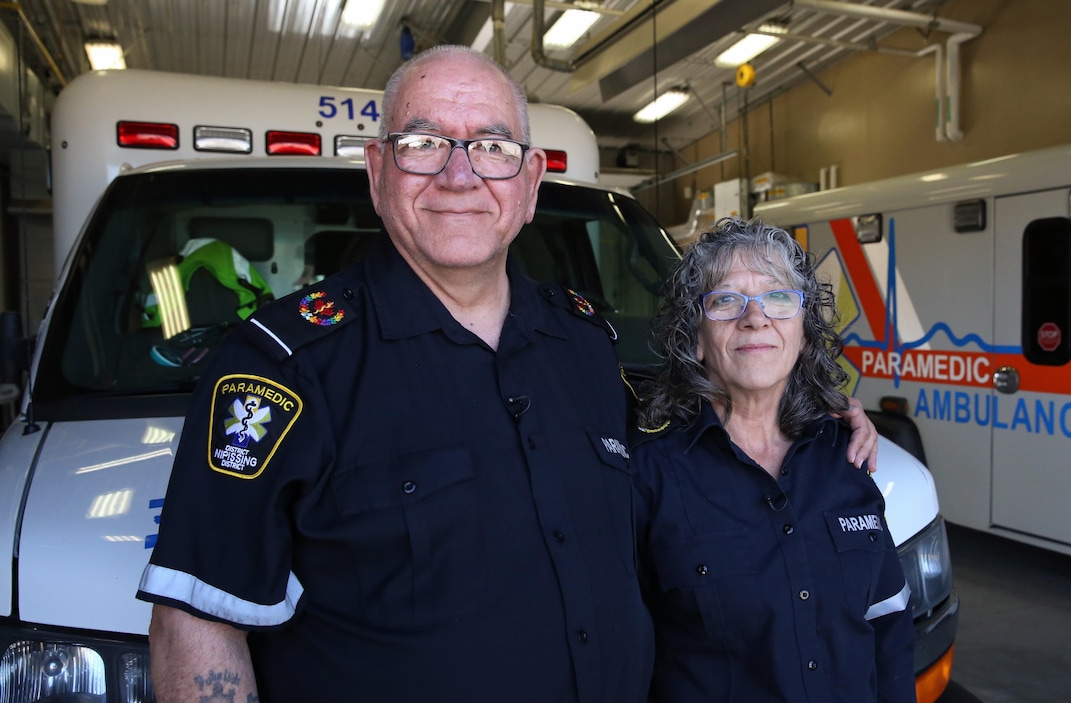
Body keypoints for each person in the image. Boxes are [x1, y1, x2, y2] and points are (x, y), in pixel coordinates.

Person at [136, 46, 879, 702]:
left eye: (490, 146)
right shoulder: (284, 368)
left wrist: (814, 413)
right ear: (376, 170)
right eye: (423, 141)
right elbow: (199, 622)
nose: (459, 174)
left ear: (528, 182)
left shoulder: (589, 344)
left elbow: (699, 427)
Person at [632, 217, 915, 702]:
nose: (755, 318)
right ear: (695, 338)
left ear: (804, 333)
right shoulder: (650, 473)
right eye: (726, 300)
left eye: (778, 298)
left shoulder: (845, 455)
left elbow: (887, 623)